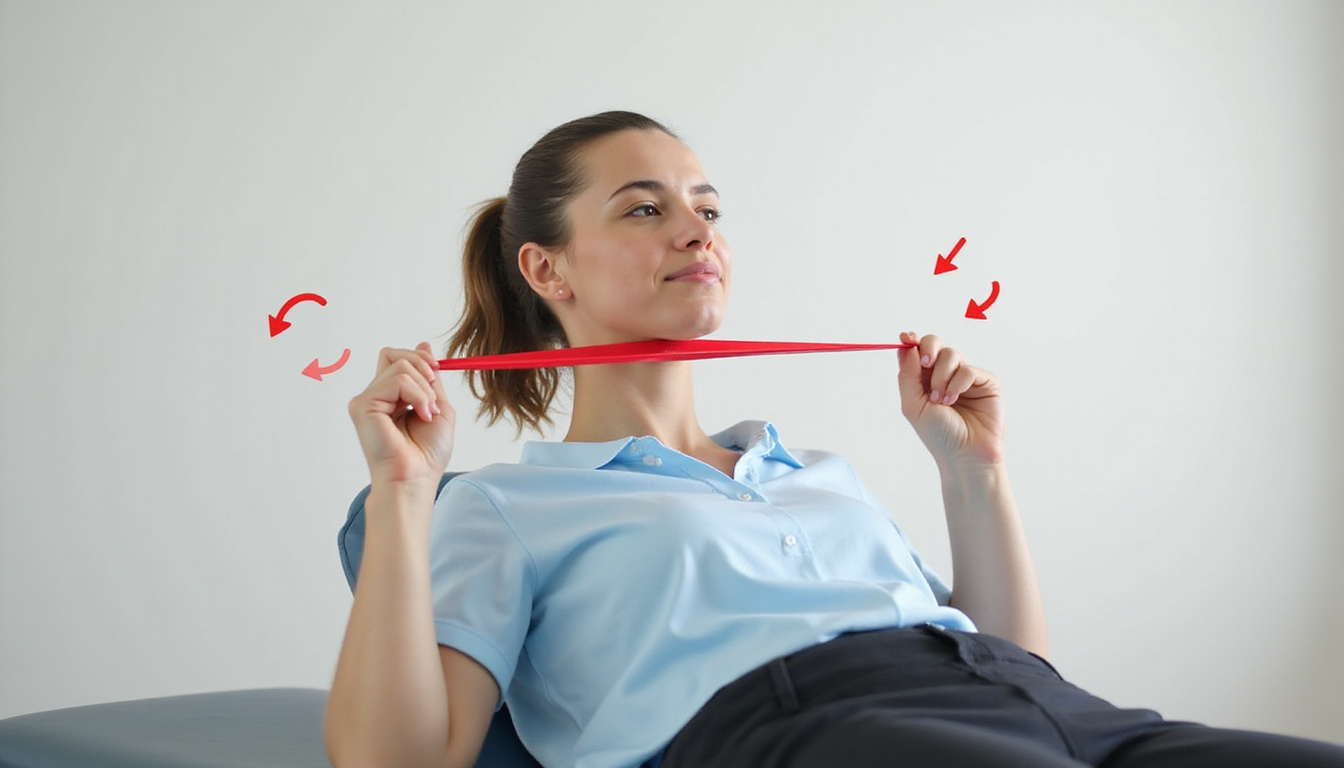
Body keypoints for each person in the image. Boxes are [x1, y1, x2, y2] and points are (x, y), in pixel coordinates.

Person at [326, 111, 1344, 768]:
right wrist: (403, 498)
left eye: (707, 207)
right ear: (549, 273)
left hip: (1045, 711)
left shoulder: (813, 472)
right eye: (646, 209)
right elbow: (397, 764)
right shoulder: (504, 509)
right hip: (804, 736)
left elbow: (1009, 659)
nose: (698, 231)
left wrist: (972, 470)